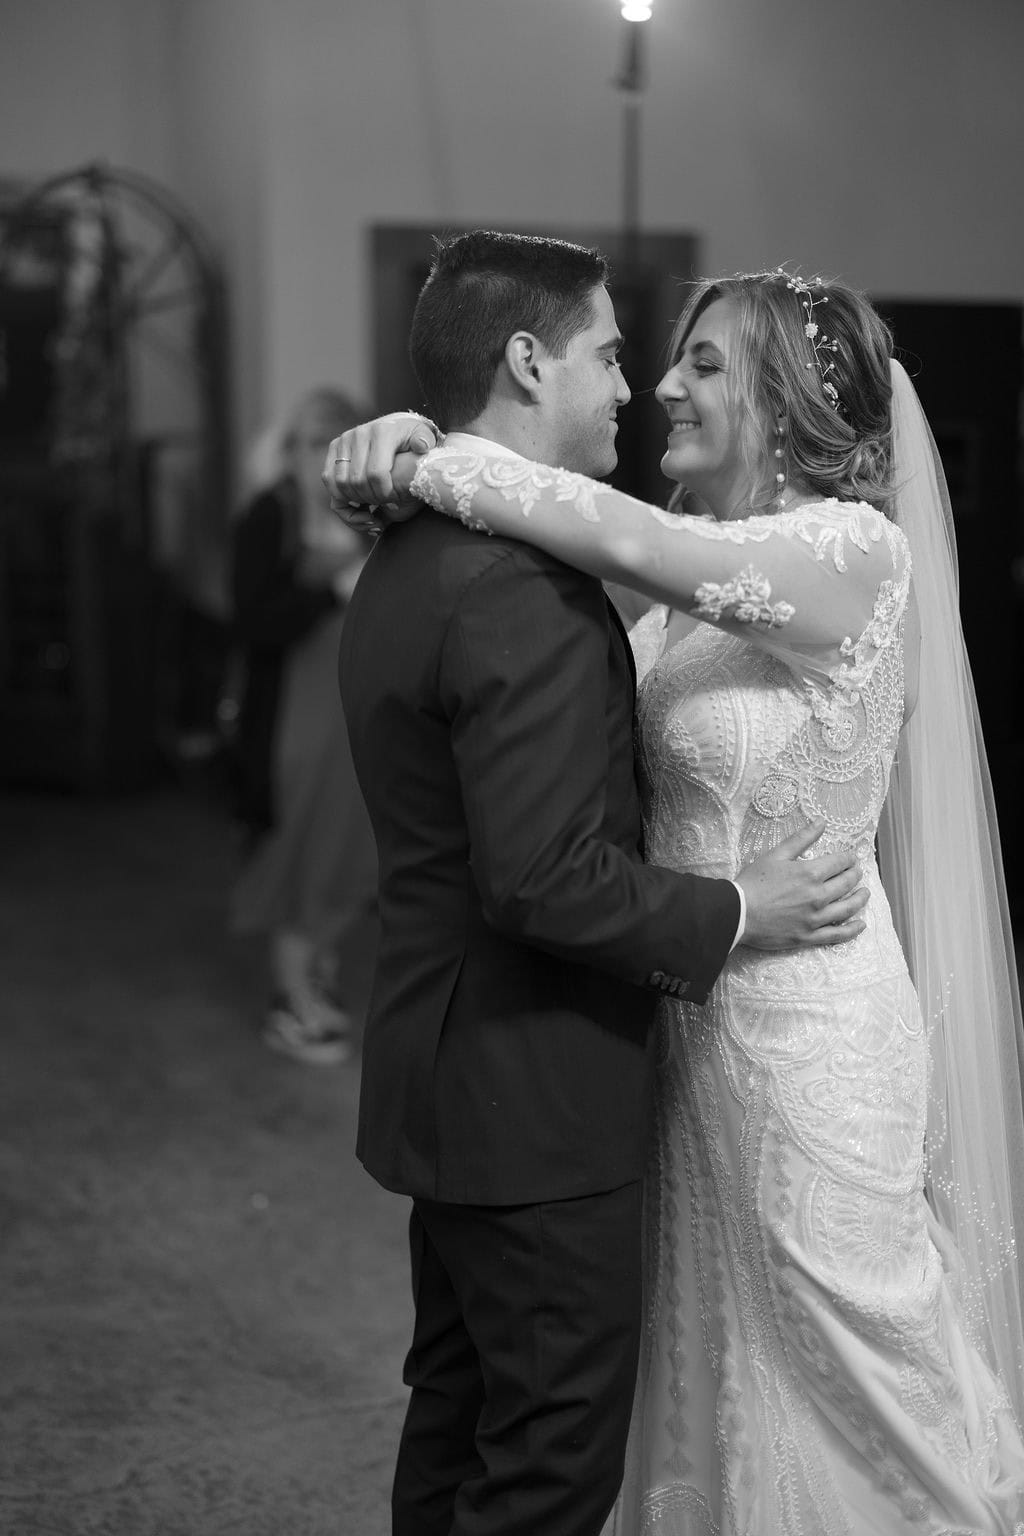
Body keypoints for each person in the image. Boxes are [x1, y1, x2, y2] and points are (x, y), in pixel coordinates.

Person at [328, 264, 1024, 1532]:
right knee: (712, 1379)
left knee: (858, 1372)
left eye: (702, 363)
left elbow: (625, 539)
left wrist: (421, 454)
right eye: (648, 356)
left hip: (809, 1035)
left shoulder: (849, 552)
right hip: (681, 1034)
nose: (659, 383)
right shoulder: (683, 582)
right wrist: (412, 453)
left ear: (783, 394)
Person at [229, 386, 377, 1066]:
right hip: (292, 724)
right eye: (311, 440)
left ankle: (315, 974)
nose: (322, 455)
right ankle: (292, 998)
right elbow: (253, 623)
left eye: (336, 439)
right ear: (289, 448)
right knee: (300, 853)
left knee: (353, 852)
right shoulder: (270, 515)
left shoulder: (364, 512)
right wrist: (328, 589)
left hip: (355, 721)